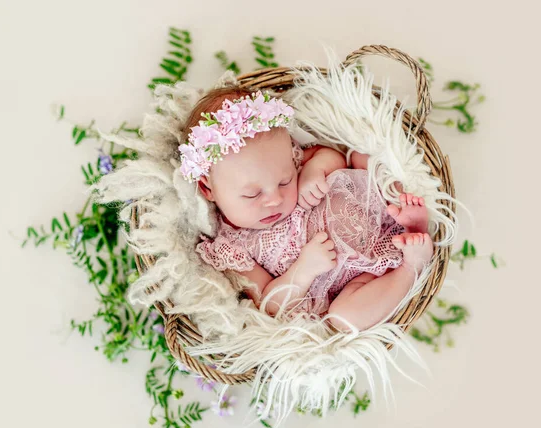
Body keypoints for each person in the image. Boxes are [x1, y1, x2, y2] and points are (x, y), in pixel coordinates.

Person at [179, 85, 433, 332]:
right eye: (252, 194)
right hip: (354, 278)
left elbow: (332, 157)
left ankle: (401, 207)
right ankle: (410, 266)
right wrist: (303, 270)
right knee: (345, 318)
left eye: (285, 181)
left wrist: (315, 169)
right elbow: (270, 304)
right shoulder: (231, 249)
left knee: (359, 155)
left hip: (367, 208)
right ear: (208, 189)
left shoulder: (288, 158)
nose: (275, 199)